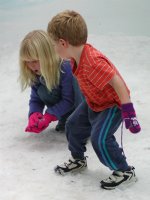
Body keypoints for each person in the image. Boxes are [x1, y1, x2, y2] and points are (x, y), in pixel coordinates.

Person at [47, 10, 141, 190]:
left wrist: (129, 113)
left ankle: (125, 171)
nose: (54, 49)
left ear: (62, 43)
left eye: (53, 45)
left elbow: (118, 83)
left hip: (111, 106)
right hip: (94, 102)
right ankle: (78, 160)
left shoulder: (93, 62)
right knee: (72, 125)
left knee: (100, 139)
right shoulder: (75, 57)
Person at [19, 30, 83, 134]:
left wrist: (49, 115)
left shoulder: (65, 67)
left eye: (35, 61)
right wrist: (34, 114)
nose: (31, 65)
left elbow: (69, 99)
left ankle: (82, 122)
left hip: (85, 106)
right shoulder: (36, 72)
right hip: (68, 109)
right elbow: (36, 99)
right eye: (27, 61)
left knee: (75, 83)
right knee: (43, 91)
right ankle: (66, 118)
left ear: (47, 56)